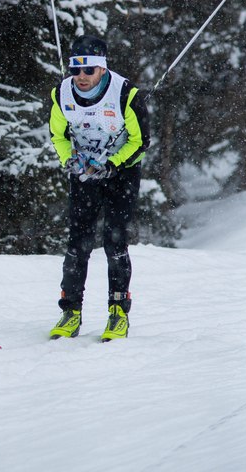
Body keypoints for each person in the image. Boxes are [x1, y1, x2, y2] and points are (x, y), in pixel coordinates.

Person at [49, 34, 150, 341]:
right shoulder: (61, 94)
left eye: (88, 70)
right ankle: (71, 311)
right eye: (75, 70)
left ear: (102, 69)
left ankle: (118, 312)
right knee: (78, 243)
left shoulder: (126, 95)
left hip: (121, 174)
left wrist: (112, 165)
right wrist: (69, 160)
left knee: (114, 242)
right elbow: (58, 136)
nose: (81, 76)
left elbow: (141, 141)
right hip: (84, 174)